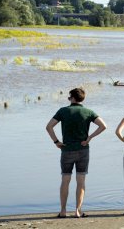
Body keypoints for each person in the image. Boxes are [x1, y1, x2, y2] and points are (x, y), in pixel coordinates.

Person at [46, 88, 107, 218]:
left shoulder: (63, 111)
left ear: (72, 98)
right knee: (81, 181)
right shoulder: (88, 112)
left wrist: (56, 141)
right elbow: (103, 126)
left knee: (65, 179)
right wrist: (90, 137)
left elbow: (49, 126)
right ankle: (78, 211)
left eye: (69, 97)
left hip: (66, 149)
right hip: (83, 150)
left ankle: (63, 211)